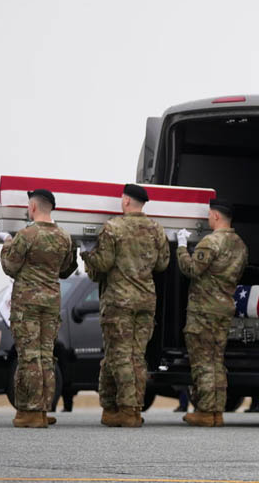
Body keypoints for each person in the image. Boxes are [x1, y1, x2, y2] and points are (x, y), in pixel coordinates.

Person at [81, 183, 169, 428]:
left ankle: (129, 410)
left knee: (120, 356)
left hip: (119, 301)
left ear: (127, 201)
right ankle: (111, 408)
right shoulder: (156, 229)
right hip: (146, 301)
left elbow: (104, 263)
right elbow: (162, 264)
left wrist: (87, 253)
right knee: (133, 356)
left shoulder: (113, 228)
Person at [0, 189, 77, 428]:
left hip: (27, 305)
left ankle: (30, 411)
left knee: (29, 356)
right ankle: (43, 409)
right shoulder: (65, 237)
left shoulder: (25, 235)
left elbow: (10, 267)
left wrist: (6, 244)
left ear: (32, 207)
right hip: (51, 303)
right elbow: (66, 269)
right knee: (46, 356)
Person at [175, 198, 247, 427]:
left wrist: (181, 247)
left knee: (203, 362)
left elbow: (192, 269)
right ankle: (217, 411)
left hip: (204, 310)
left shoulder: (211, 241)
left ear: (215, 216)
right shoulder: (240, 245)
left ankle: (205, 411)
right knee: (217, 361)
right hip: (224, 308)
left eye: (209, 215)